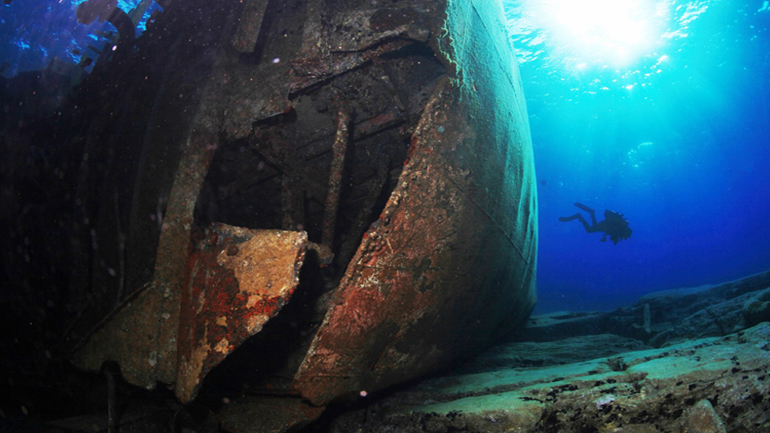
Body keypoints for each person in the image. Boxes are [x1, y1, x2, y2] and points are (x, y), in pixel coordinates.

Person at [559, 202, 632, 245]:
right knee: (589, 230)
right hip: (605, 225)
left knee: (594, 227)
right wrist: (614, 240)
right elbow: (613, 235)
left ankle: (592, 212)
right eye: (627, 236)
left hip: (605, 226)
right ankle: (579, 216)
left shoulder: (620, 229)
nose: (625, 238)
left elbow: (612, 236)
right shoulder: (619, 230)